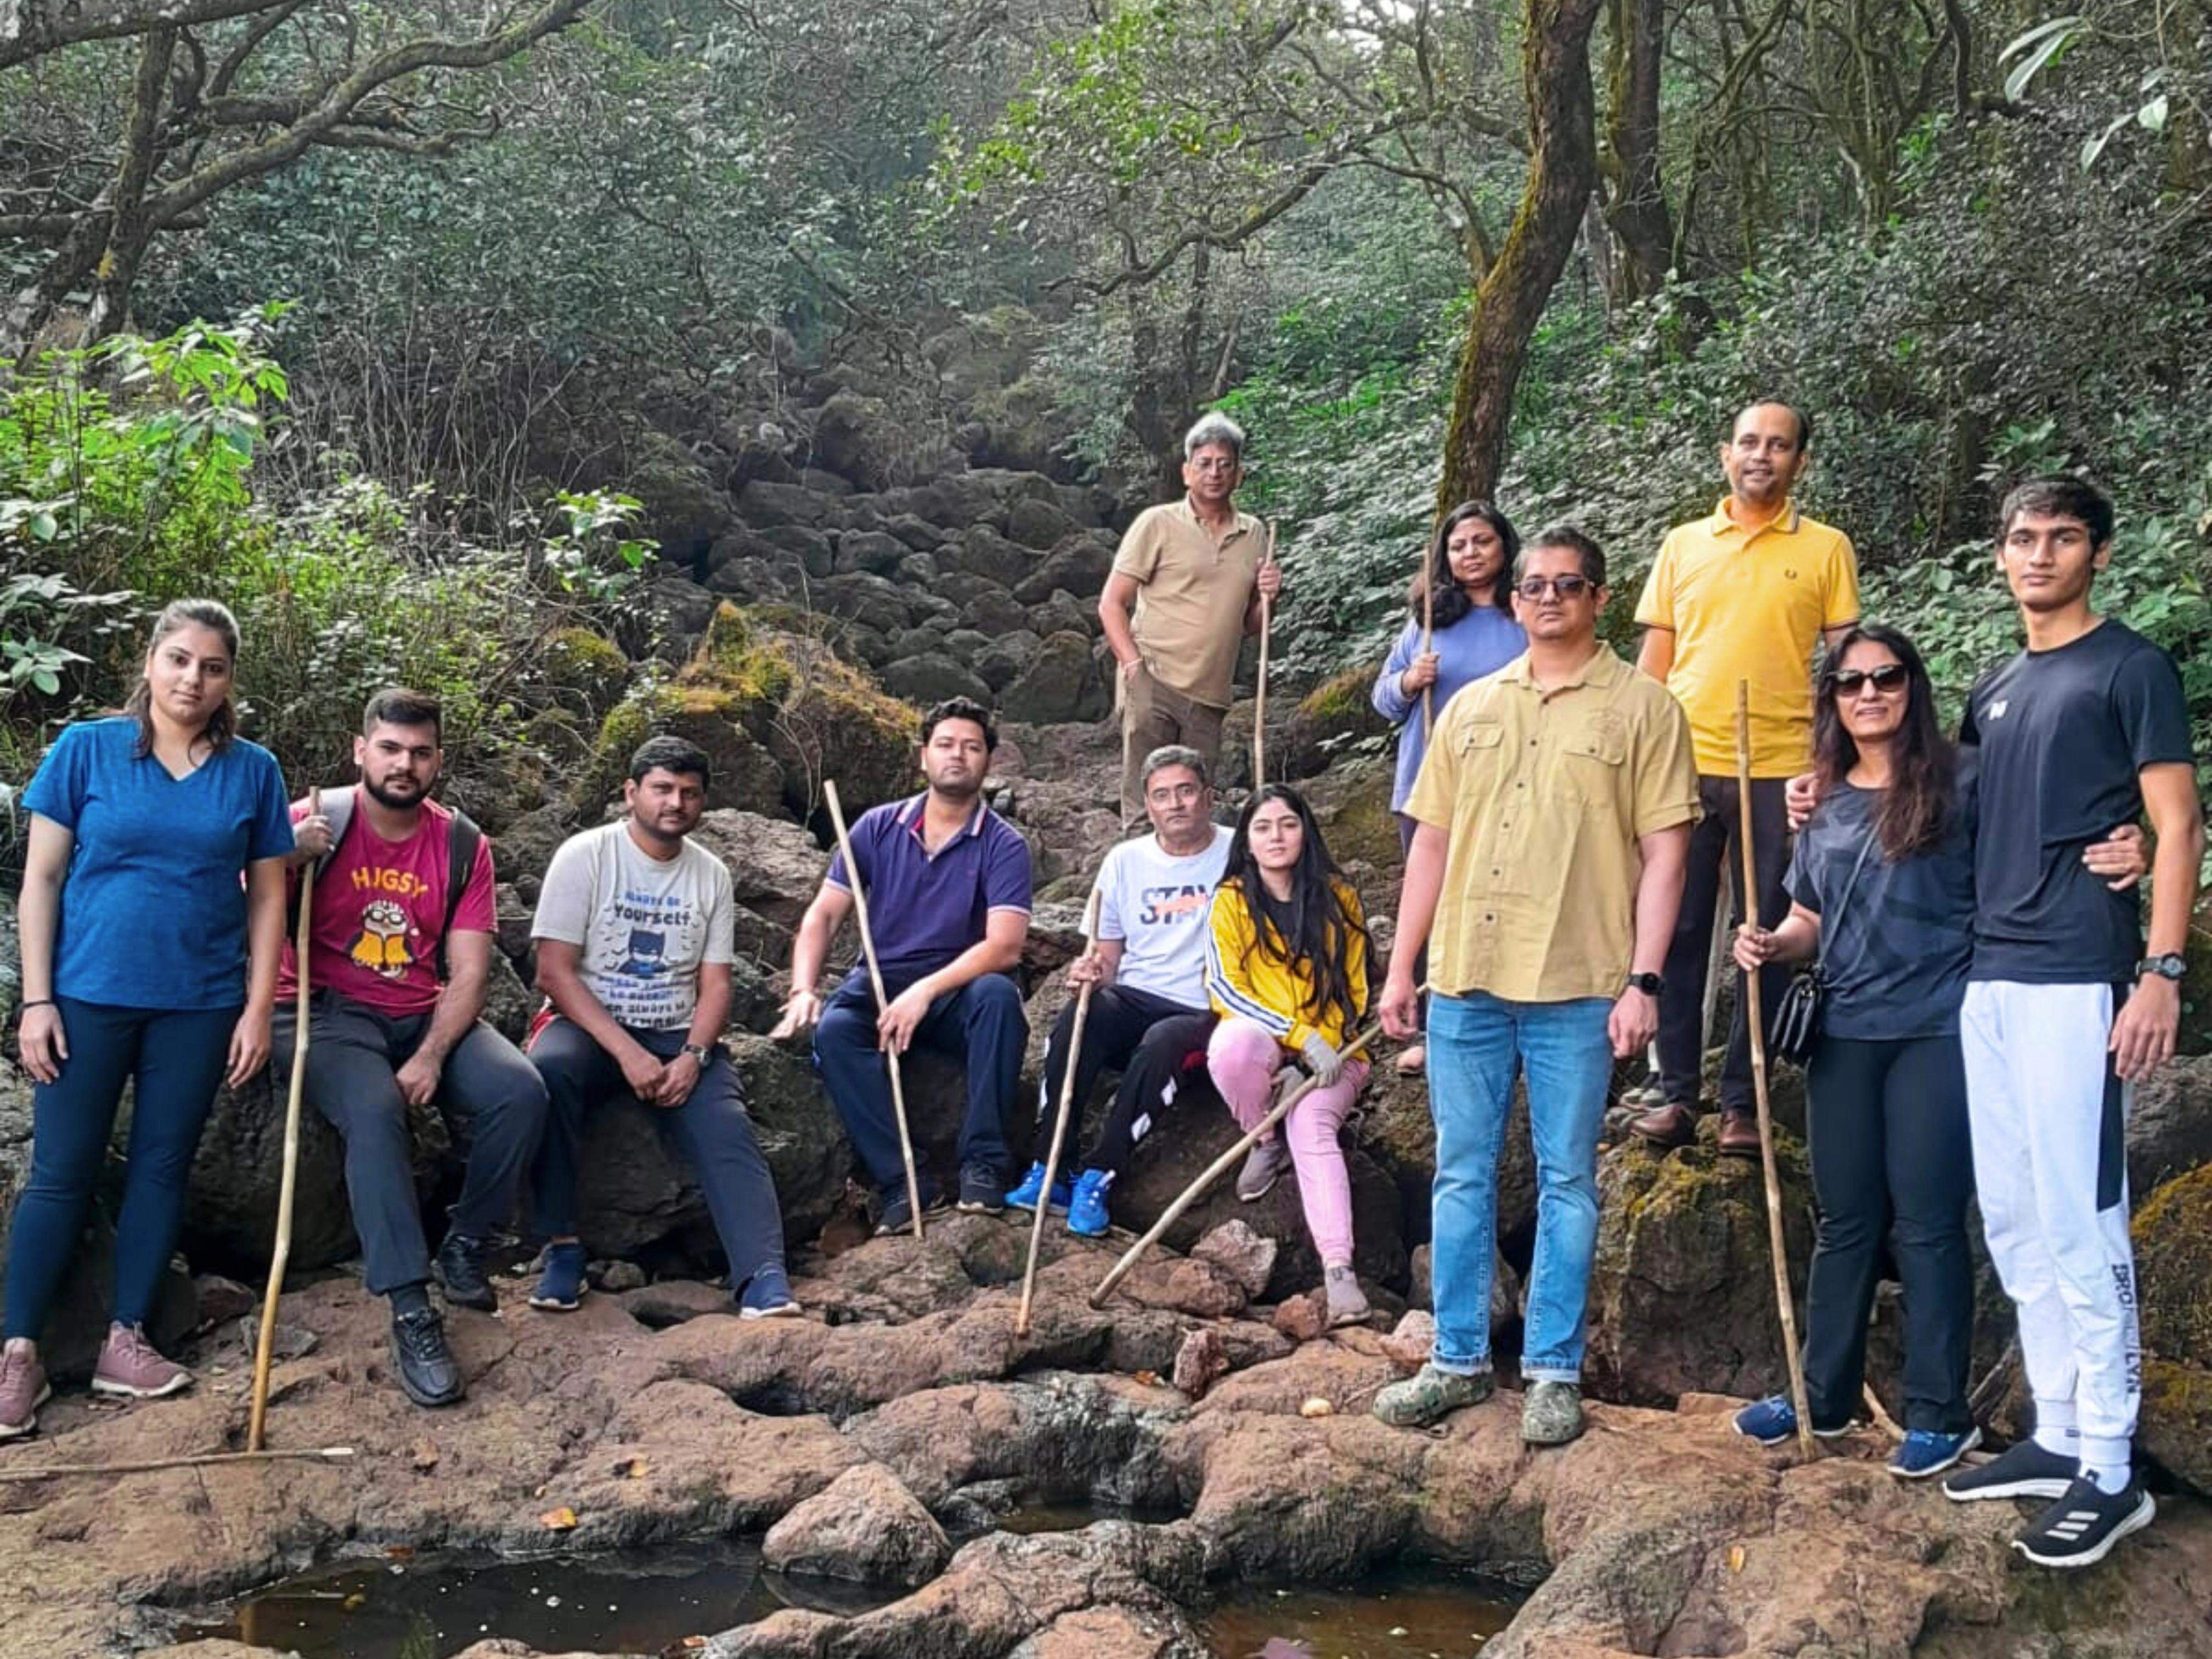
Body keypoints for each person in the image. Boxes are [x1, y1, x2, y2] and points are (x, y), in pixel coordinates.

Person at [1737, 628, 2151, 1476]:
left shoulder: (1967, 778)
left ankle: (1939, 1410)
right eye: (1851, 683)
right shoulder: (1824, 801)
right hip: (1846, 1030)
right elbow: (1809, 919)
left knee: (1928, 1222)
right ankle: (1826, 1395)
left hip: (1942, 1025)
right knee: (1845, 1221)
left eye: (1887, 677)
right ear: (1834, 700)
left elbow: (2046, 823)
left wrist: (2133, 840)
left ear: (1914, 687)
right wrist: (1768, 944)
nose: (1870, 693)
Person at [1372, 527, 1698, 1448]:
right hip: (1467, 978)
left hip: (1580, 982)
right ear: (1511, 600)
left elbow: (1665, 851)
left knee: (1566, 1178)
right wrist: (1403, 967)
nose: (1547, 598)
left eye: (1568, 584)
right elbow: (1429, 841)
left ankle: (1553, 1366)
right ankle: (1458, 1356)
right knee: (1461, 1170)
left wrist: (1644, 980)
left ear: (1599, 597)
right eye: (1533, 586)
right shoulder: (1469, 705)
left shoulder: (1642, 707)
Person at [1929, 478, 2202, 1568]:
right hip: (1987, 981)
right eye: (2023, 539)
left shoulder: (2132, 668)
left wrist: (2161, 970)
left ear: (2097, 551)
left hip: (2079, 978)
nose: (2040, 555)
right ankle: (2056, 1430)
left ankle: (2113, 1468)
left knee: (2085, 1220)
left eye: (2064, 538)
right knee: (2014, 1218)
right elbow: (1949, 820)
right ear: (1999, 557)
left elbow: (2176, 824)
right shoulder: (1995, 686)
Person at [2, 600, 293, 1440]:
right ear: (150, 661)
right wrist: (37, 998)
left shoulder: (252, 771)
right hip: (89, 995)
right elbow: (42, 882)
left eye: (211, 667)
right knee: (61, 1170)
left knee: (162, 1169)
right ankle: (17, 1354)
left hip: (198, 1005)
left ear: (230, 678)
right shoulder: (87, 749)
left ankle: (125, 1341)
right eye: (178, 660)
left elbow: (269, 896)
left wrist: (255, 1008)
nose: (191, 680)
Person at [273, 689, 550, 1409]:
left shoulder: (462, 845)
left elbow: (470, 972)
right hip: (323, 1009)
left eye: (420, 752)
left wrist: (430, 1054)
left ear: (438, 761)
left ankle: (465, 1240)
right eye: (390, 749)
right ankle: (409, 1305)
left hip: (415, 1008)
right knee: (374, 1111)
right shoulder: (313, 821)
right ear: (360, 750)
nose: (405, 764)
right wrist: (285, 860)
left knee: (519, 1091)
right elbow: (244, 913)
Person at [1628, 400, 1860, 1156]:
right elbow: (1654, 665)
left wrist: (1836, 761)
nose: (1762, 455)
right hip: (1685, 763)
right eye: (1750, 442)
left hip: (1784, 767)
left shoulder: (1826, 548)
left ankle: (1745, 1098)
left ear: (1800, 461)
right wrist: (1633, 756)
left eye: (1779, 445)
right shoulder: (1684, 544)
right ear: (1725, 454)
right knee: (1680, 923)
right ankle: (1674, 1090)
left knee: (1764, 932)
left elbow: (1848, 665)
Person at [525, 736, 798, 1319]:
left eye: (690, 793)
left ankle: (763, 1275)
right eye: (662, 789)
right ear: (631, 793)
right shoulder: (585, 856)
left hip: (676, 1029)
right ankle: (561, 1249)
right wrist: (627, 1054)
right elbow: (554, 970)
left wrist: (694, 1055)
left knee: (726, 1122)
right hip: (589, 1025)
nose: (675, 803)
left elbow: (717, 984)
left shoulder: (712, 875)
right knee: (547, 1077)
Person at [774, 698, 1032, 1234]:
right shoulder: (875, 827)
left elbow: (1004, 948)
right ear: (923, 757)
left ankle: (983, 1160)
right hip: (882, 978)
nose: (957, 755)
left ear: (989, 761)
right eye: (945, 745)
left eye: (971, 746)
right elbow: (823, 914)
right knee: (839, 1032)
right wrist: (803, 988)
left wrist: (925, 993)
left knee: (1000, 999)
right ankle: (905, 1179)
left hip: (958, 986)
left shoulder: (1004, 845)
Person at [1005, 744, 1230, 1237]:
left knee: (1165, 1040)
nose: (1175, 805)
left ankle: (1099, 1175)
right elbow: (1108, 958)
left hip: (1206, 1009)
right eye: (1162, 796)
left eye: (1186, 792)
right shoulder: (1125, 861)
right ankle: (1050, 1167)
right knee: (1082, 1014)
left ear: (1208, 797)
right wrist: (1090, 972)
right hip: (1138, 995)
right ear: (1147, 806)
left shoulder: (1238, 854)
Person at [1204, 784, 1375, 1327]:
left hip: (1336, 1051)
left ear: (1306, 830)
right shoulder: (1230, 899)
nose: (1276, 837)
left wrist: (1326, 1046)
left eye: (1287, 824)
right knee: (1231, 1047)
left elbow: (1357, 990)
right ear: (1246, 841)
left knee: (1311, 1123)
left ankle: (1339, 1270)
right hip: (1271, 1040)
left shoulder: (1339, 898)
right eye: (1262, 827)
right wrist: (1298, 1038)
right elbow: (1225, 990)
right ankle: (1263, 1137)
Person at [1369, 500, 1528, 1073]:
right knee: (1433, 902)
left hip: (1510, 785)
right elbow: (1383, 699)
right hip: (1430, 780)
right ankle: (1434, 1027)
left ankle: (1507, 1025)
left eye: (1481, 542)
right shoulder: (1429, 620)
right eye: (1459, 545)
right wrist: (1412, 680)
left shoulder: (1525, 613)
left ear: (1504, 547)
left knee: (1502, 903)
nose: (1470, 553)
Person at [1100, 412, 1284, 822]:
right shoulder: (1158, 523)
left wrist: (1270, 595)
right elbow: (1111, 602)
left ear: (1240, 473)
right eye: (1204, 464)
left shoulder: (1254, 535)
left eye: (1225, 464)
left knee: (1195, 805)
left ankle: (1194, 886)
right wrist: (1133, 668)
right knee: (1148, 799)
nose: (1214, 473)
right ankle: (1138, 879)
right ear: (1186, 472)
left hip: (1211, 693)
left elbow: (1251, 625)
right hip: (1155, 677)